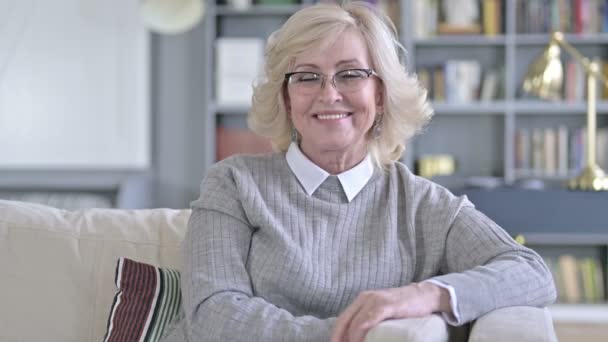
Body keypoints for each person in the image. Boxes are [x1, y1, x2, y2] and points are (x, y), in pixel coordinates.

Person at [163, 2, 556, 341]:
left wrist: (425, 295)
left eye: (350, 74)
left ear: (380, 94)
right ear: (286, 97)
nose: (328, 93)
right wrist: (362, 334)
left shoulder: (424, 206)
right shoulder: (233, 183)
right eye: (306, 76)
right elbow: (211, 317)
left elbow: (530, 271)